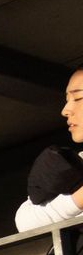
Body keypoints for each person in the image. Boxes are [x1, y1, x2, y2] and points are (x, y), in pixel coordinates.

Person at [14, 68, 83, 231]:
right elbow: (25, 222)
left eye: (78, 98)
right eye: (67, 100)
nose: (65, 110)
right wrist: (79, 198)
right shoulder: (75, 164)